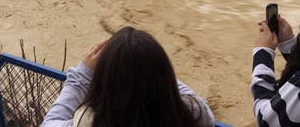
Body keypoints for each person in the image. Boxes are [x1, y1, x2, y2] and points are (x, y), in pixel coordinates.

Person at [42, 26, 215, 127]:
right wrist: (150, 67)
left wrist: (83, 73)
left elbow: (50, 123)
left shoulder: (88, 121)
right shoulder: (191, 113)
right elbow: (201, 106)